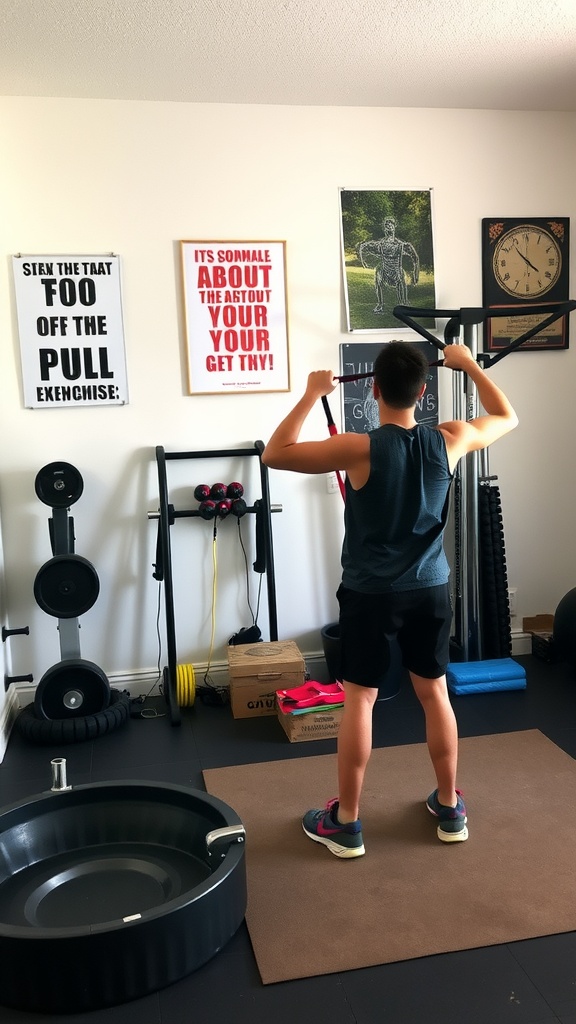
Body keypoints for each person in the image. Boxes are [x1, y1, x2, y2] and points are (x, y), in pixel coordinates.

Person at [262, 341, 518, 857]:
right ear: (423, 393)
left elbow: (275, 453)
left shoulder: (358, 447)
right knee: (435, 694)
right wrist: (469, 366)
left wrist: (312, 394)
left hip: (371, 594)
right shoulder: (451, 438)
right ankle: (449, 807)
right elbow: (506, 416)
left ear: (373, 389)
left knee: (361, 698)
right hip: (430, 588)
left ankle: (347, 822)